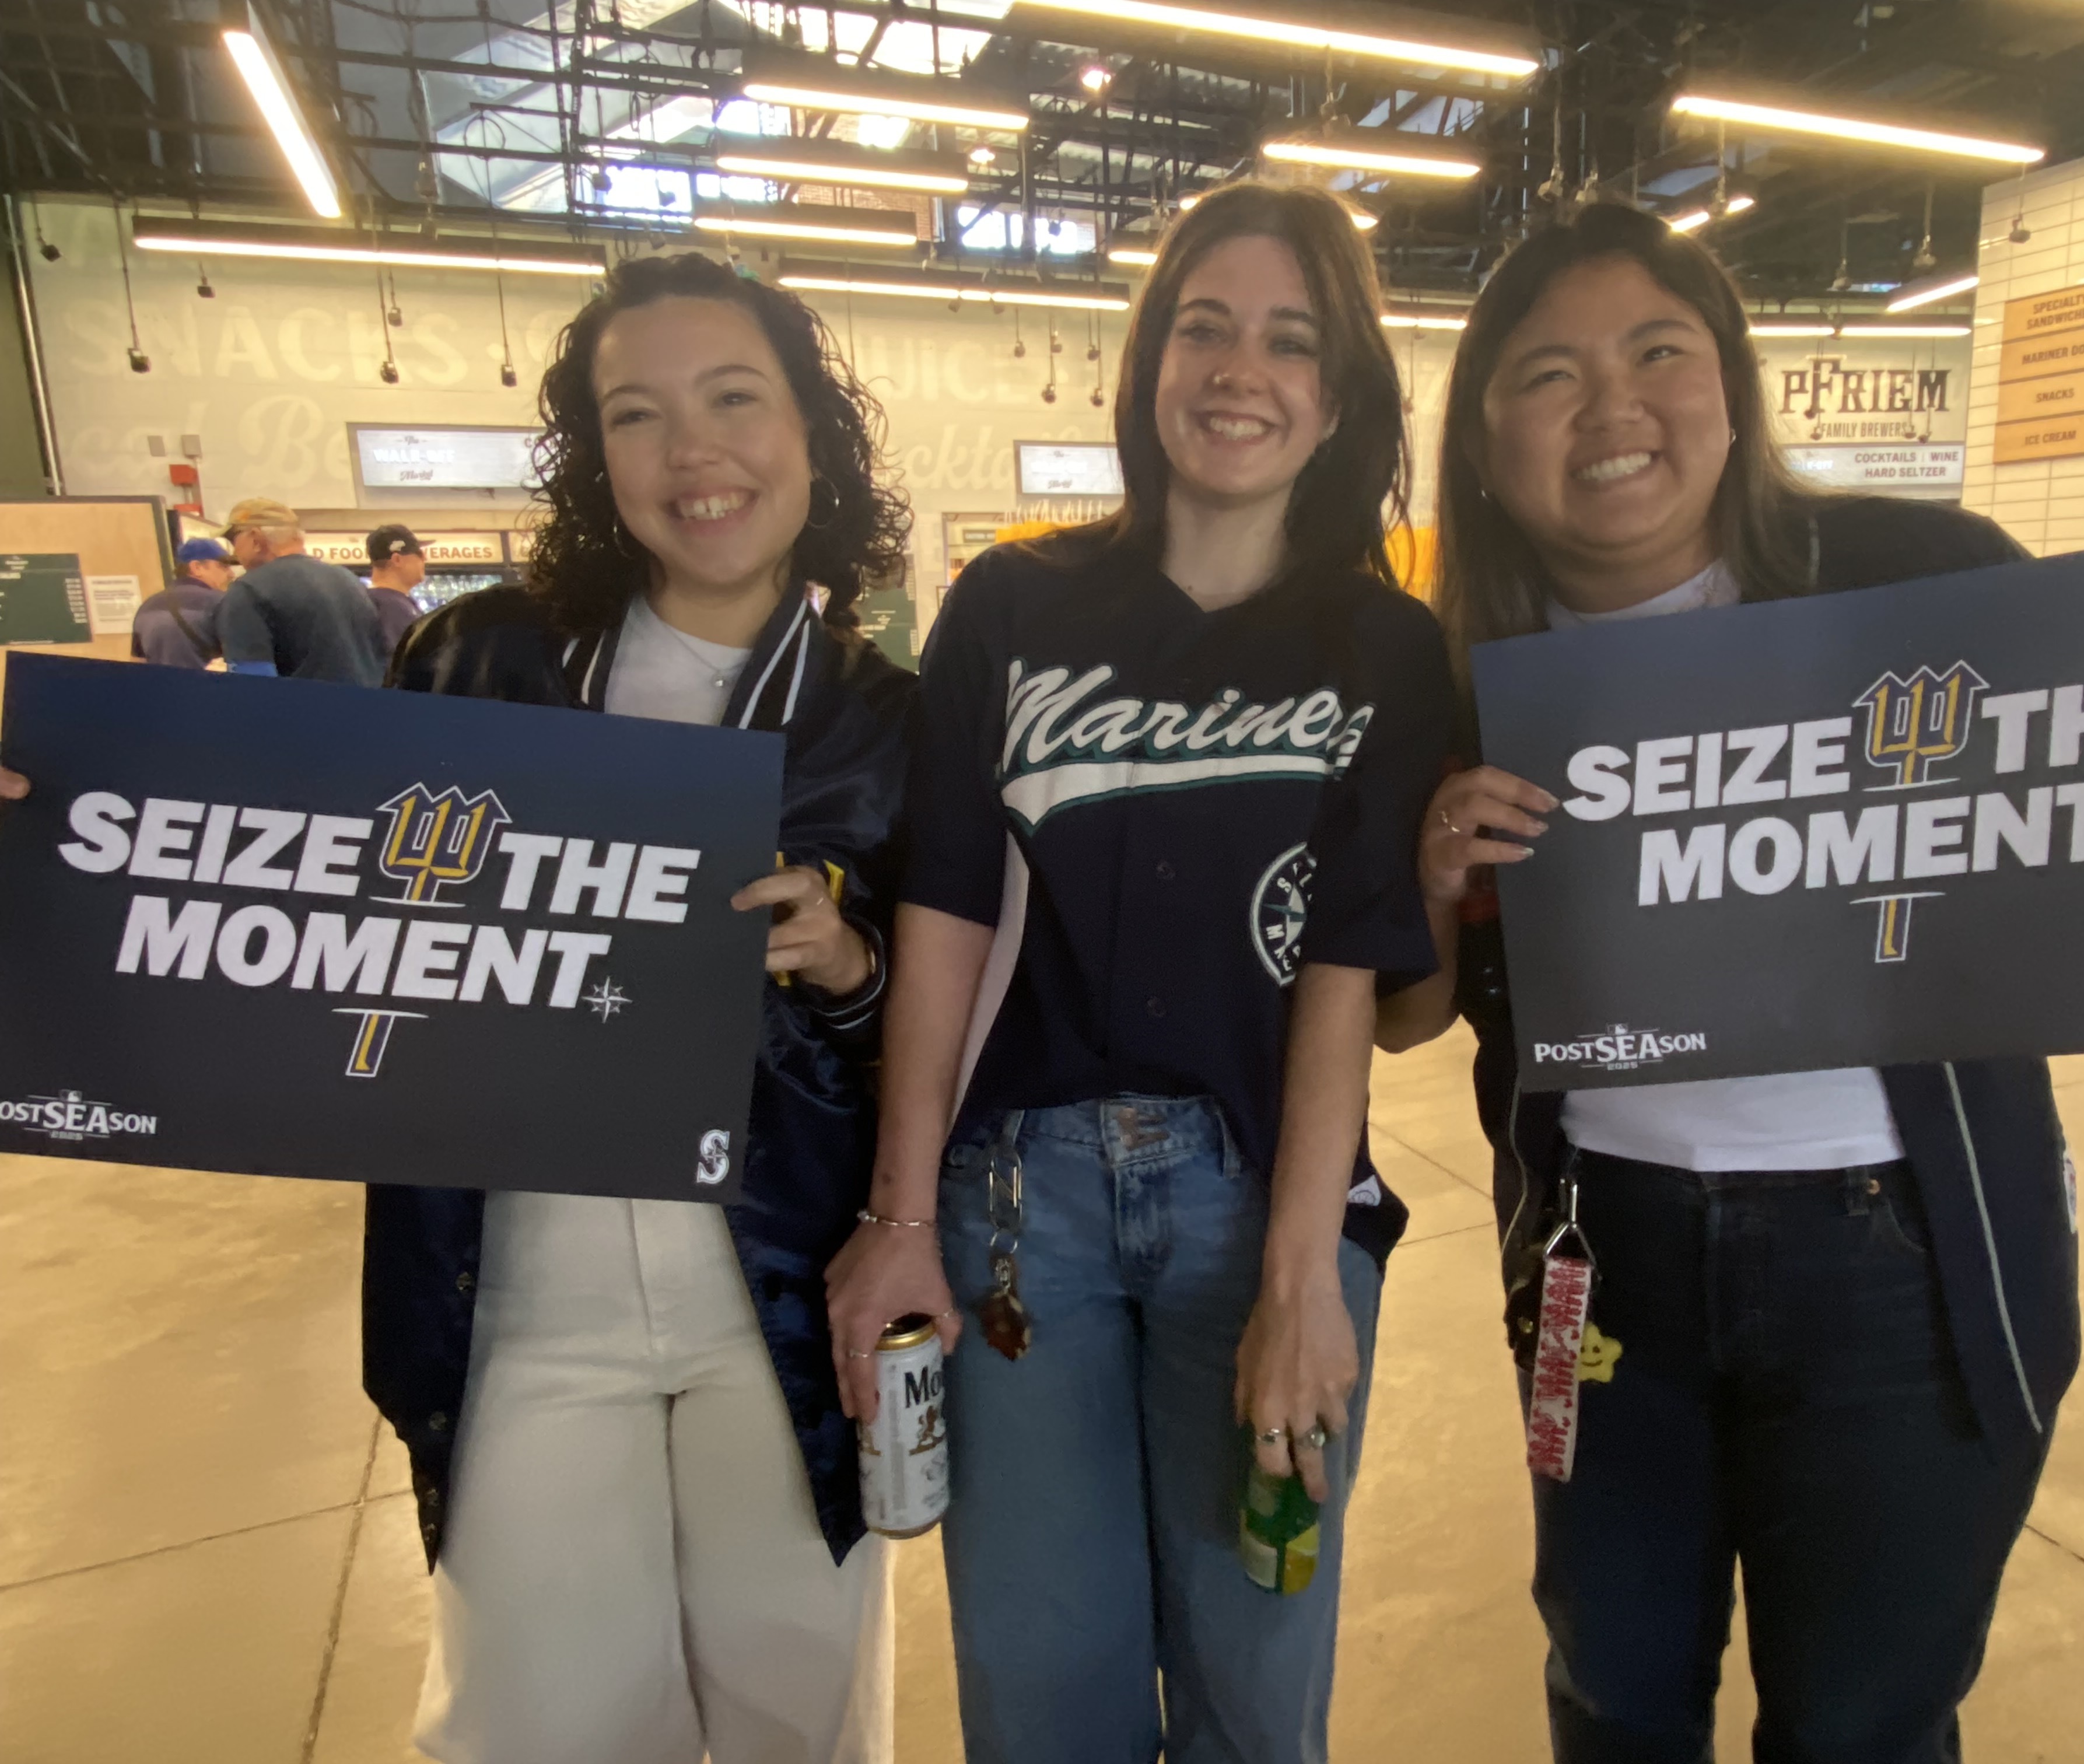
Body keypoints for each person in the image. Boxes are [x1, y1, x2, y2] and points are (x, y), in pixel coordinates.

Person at [1374, 201, 2075, 1764]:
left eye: (1658, 353)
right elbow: (1409, 1014)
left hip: (1898, 1253)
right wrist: (1430, 873)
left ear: (1735, 388)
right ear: (1485, 446)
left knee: (1864, 1723)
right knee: (1616, 1693)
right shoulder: (1457, 678)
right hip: (1597, 1261)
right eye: (1548, 374)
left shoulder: (1924, 581)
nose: (1612, 405)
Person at [824, 181, 1453, 1764]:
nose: (1242, 368)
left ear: (1338, 401)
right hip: (1017, 1216)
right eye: (1206, 325)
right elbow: (948, 916)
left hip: (1260, 1201)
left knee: (1256, 1674)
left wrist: (1303, 1280)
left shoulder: (1384, 648)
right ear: (1149, 361)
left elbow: (1347, 969)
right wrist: (901, 1218)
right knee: (1046, 1690)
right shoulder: (1016, 607)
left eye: (1291, 341)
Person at [363, 251, 914, 1764]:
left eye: (736, 397)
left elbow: (935, 1039)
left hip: (786, 1302)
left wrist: (849, 964)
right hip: (520, 1296)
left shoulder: (884, 724)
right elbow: (292, 896)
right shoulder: (479, 664)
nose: (696, 452)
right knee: (533, 1725)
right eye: (637, 414)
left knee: (802, 1721)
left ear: (813, 429)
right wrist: (73, 820)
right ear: (595, 458)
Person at [216, 495, 388, 684]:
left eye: (234, 539)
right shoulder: (349, 581)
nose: (234, 553)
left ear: (256, 539)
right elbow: (381, 662)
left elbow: (253, 685)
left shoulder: (248, 591)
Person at [131, 537, 233, 669]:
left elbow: (137, 664)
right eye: (223, 567)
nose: (231, 574)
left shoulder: (147, 606)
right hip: (207, 687)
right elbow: (244, 657)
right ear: (197, 568)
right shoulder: (221, 602)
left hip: (160, 688)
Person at [362, 522, 429, 652]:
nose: (425, 559)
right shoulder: (392, 608)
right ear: (397, 560)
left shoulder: (369, 601)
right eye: (419, 554)